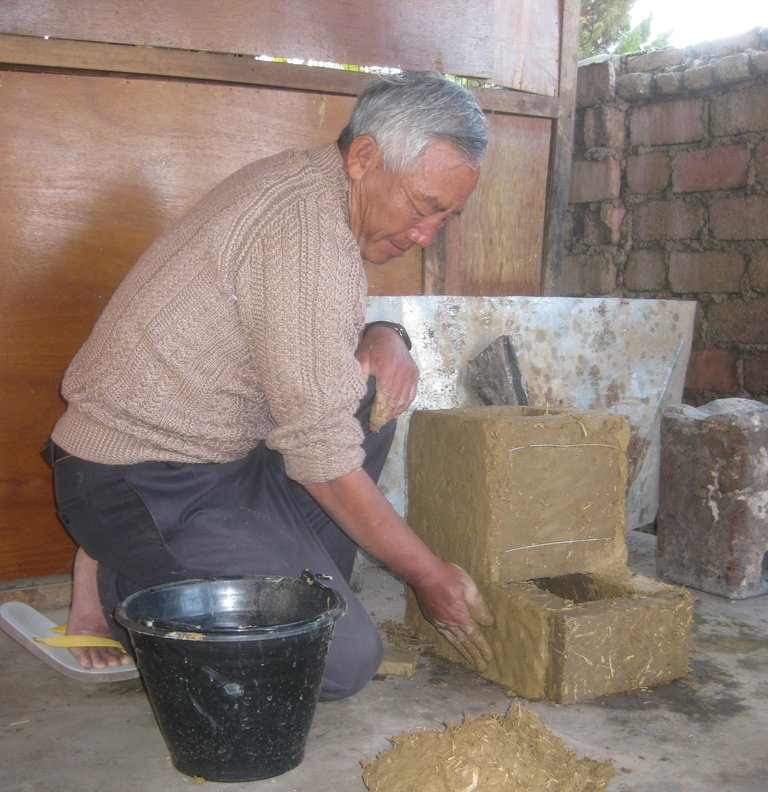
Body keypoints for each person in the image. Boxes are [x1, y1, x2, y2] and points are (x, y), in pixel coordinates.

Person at [45, 70, 494, 699]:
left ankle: (272, 582)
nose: (426, 234)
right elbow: (318, 451)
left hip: (223, 458)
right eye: (424, 208)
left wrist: (386, 334)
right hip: (139, 477)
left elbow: (301, 350)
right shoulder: (306, 234)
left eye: (446, 217)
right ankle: (123, 582)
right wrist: (427, 574)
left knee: (370, 395)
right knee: (337, 662)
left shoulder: (317, 187)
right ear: (364, 156)